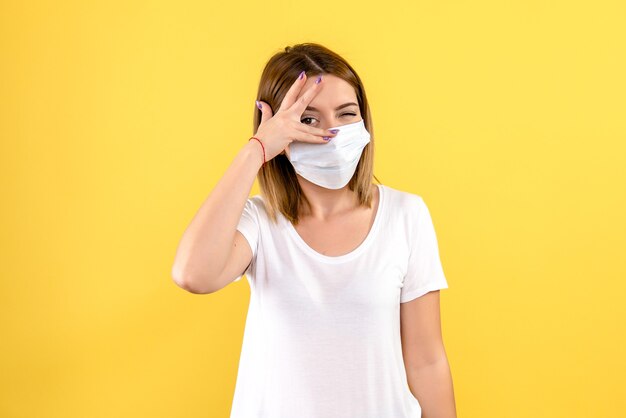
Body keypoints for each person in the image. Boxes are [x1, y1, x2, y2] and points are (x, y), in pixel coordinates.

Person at [171, 42, 457, 418]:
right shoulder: (260, 222)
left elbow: (427, 361)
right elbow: (193, 274)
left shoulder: (406, 215)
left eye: (346, 114)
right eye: (308, 119)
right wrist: (256, 149)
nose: (331, 133)